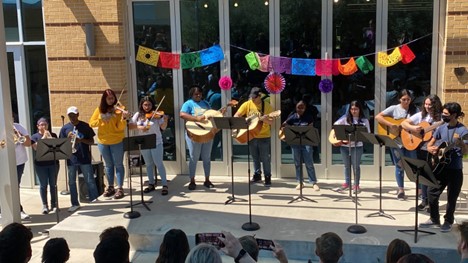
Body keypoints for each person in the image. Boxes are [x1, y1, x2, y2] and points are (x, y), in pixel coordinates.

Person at [420, 102, 468, 232]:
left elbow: (465, 152)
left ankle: (448, 221)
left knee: (451, 197)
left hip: (455, 169)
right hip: (440, 167)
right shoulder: (442, 127)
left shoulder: (463, 131)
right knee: (431, 191)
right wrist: (433, 150)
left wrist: (461, 145)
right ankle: (434, 219)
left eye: (446, 114)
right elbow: (429, 145)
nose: (443, 116)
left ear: (454, 115)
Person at [401, 94, 442, 211]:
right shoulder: (421, 115)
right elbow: (404, 123)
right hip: (421, 149)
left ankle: (432, 201)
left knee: (433, 176)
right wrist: (413, 129)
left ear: (436, 105)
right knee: (423, 175)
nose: (427, 106)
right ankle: (424, 200)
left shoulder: (440, 119)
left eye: (430, 104)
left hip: (434, 150)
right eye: (426, 104)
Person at [375, 89, 418, 200]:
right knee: (399, 166)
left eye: (408, 99)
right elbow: (378, 117)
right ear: (399, 99)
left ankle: (419, 189)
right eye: (404, 99)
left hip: (410, 142)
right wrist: (391, 124)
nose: (406, 102)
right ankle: (401, 190)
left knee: (414, 165)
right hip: (396, 142)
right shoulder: (394, 109)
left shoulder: (415, 110)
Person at [89, 89, 129, 199]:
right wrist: (101, 119)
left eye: (112, 98)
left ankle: (120, 188)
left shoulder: (119, 110)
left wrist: (123, 118)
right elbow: (91, 123)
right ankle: (111, 187)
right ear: (104, 99)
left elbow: (120, 127)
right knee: (108, 165)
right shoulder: (99, 110)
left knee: (119, 164)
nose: (111, 101)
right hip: (103, 142)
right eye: (109, 99)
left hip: (117, 141)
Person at [61, 106, 100, 212]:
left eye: (73, 115)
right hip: (71, 158)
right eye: (70, 115)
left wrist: (81, 140)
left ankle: (94, 200)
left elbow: (91, 141)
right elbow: (61, 144)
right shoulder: (65, 128)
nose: (72, 117)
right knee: (72, 182)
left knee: (89, 180)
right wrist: (68, 140)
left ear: (78, 115)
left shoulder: (85, 126)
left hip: (84, 157)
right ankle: (74, 203)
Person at [234, 87, 274, 186]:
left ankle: (267, 176)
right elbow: (236, 116)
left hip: (264, 135)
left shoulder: (267, 106)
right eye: (251, 97)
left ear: (260, 96)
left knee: (265, 158)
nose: (252, 99)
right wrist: (245, 120)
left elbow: (271, 122)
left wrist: (264, 119)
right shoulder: (247, 104)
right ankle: (257, 175)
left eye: (255, 97)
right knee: (254, 157)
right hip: (251, 135)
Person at [130, 96, 169, 195]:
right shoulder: (138, 115)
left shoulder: (156, 115)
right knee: (148, 164)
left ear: (152, 105)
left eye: (149, 105)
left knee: (158, 163)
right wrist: (141, 126)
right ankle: (151, 183)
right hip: (144, 142)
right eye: (145, 105)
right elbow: (130, 126)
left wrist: (165, 120)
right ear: (142, 105)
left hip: (156, 141)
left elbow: (163, 128)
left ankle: (164, 184)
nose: (147, 107)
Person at [180, 85, 216, 190]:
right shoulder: (188, 103)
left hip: (206, 134)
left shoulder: (206, 103)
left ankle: (207, 179)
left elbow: (211, 115)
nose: (198, 95)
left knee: (207, 157)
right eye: (196, 94)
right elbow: (182, 114)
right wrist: (196, 118)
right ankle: (192, 180)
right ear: (192, 94)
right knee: (193, 158)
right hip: (194, 134)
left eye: (200, 93)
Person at [334, 100, 371, 193]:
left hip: (357, 146)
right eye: (352, 109)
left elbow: (368, 133)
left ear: (359, 110)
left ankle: (356, 184)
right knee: (346, 166)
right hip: (344, 146)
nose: (354, 111)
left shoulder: (364, 120)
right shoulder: (345, 118)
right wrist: (337, 137)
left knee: (356, 166)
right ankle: (347, 183)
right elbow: (336, 125)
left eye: (356, 109)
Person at [282, 100, 319, 191]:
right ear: (296, 108)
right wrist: (285, 132)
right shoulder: (292, 117)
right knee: (297, 163)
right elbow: (283, 125)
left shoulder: (309, 117)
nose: (300, 109)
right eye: (299, 107)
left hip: (306, 142)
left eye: (302, 107)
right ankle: (300, 182)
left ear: (305, 108)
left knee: (309, 163)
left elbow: (311, 128)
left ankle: (313, 182)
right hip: (295, 143)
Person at [31, 118, 60, 214]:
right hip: (40, 164)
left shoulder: (53, 135)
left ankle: (54, 204)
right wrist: (43, 137)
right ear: (38, 126)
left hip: (53, 163)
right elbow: (35, 148)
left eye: (45, 124)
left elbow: (58, 146)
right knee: (43, 185)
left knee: (53, 185)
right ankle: (45, 205)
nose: (43, 126)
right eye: (41, 124)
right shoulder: (34, 136)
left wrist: (50, 137)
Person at [13, 119, 33, 219]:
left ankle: (18, 210)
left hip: (19, 162)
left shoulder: (18, 127)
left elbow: (28, 143)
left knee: (16, 187)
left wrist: (19, 135)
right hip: (3, 162)